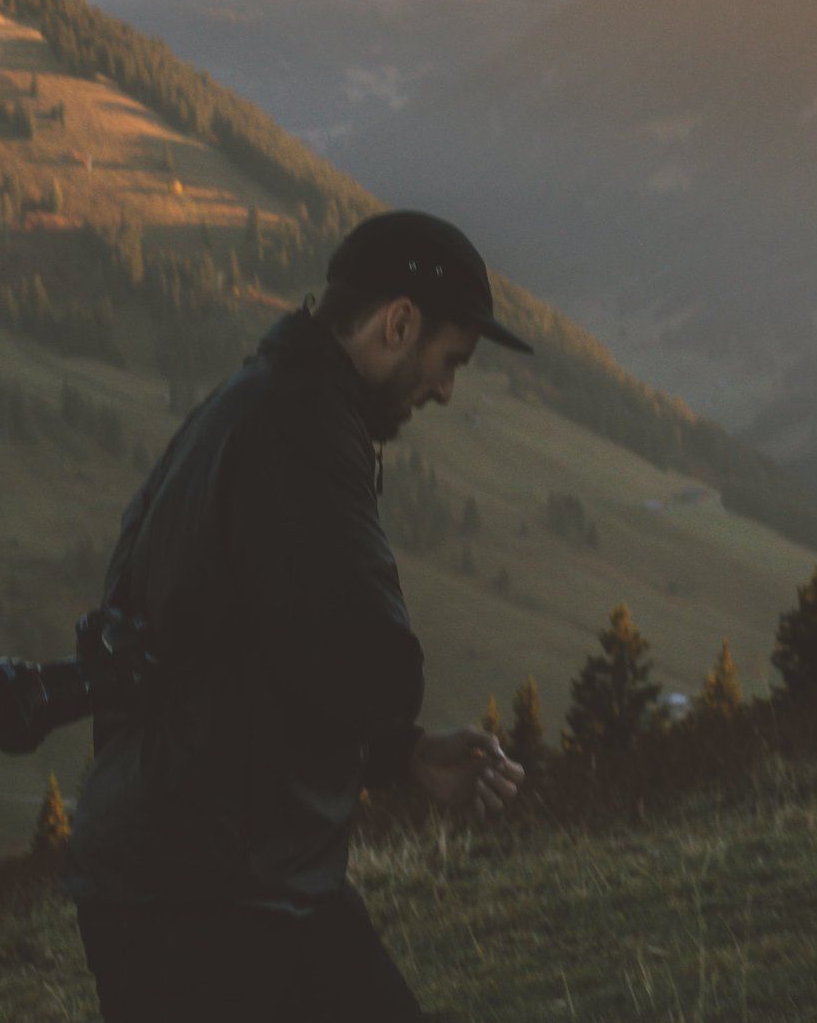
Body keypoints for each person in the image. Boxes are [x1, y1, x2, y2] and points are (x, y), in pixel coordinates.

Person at [63, 209, 533, 1022]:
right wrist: (395, 716)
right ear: (397, 324)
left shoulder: (254, 399)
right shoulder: (304, 430)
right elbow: (372, 666)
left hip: (191, 876)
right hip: (216, 899)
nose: (449, 391)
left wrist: (403, 756)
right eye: (450, 360)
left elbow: (261, 651)